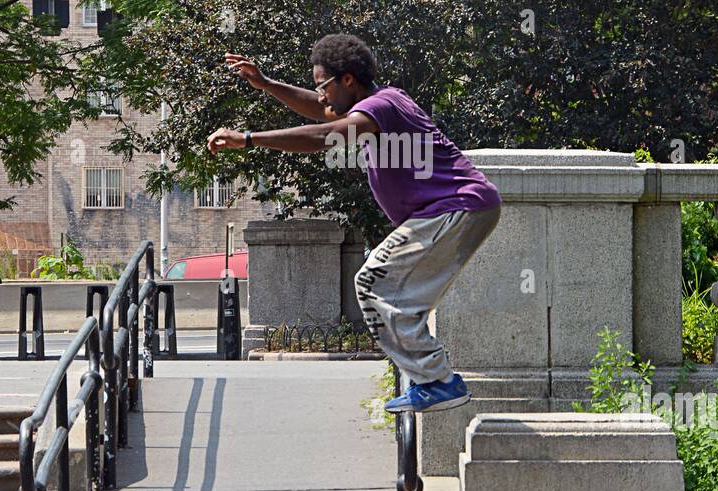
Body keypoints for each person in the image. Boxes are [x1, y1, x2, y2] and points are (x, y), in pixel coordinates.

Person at [207, 33, 501, 413]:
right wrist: (266, 84)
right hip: (461, 211)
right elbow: (322, 111)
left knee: (371, 281)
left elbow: (328, 134)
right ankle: (428, 377)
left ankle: (437, 380)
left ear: (348, 80)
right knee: (400, 298)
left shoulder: (381, 105)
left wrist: (248, 138)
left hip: (454, 208)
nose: (321, 96)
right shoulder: (374, 107)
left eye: (323, 86)